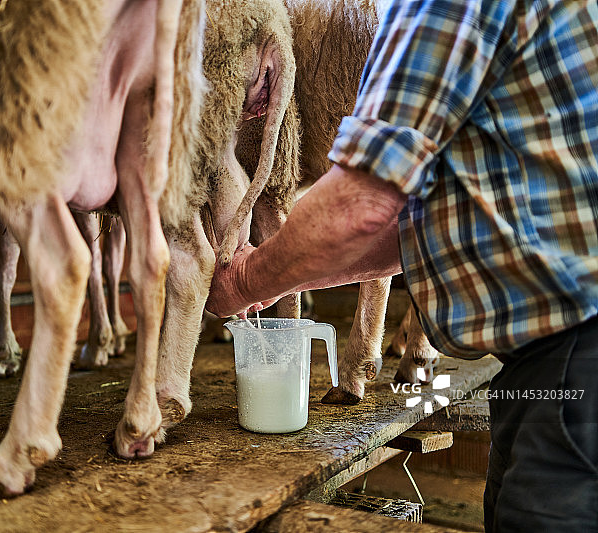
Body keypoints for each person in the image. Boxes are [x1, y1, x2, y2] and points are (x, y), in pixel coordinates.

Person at [205, 0, 598, 530]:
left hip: (575, 358)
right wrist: (272, 282)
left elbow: (360, 207)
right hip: (542, 364)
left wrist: (241, 282)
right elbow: (408, 226)